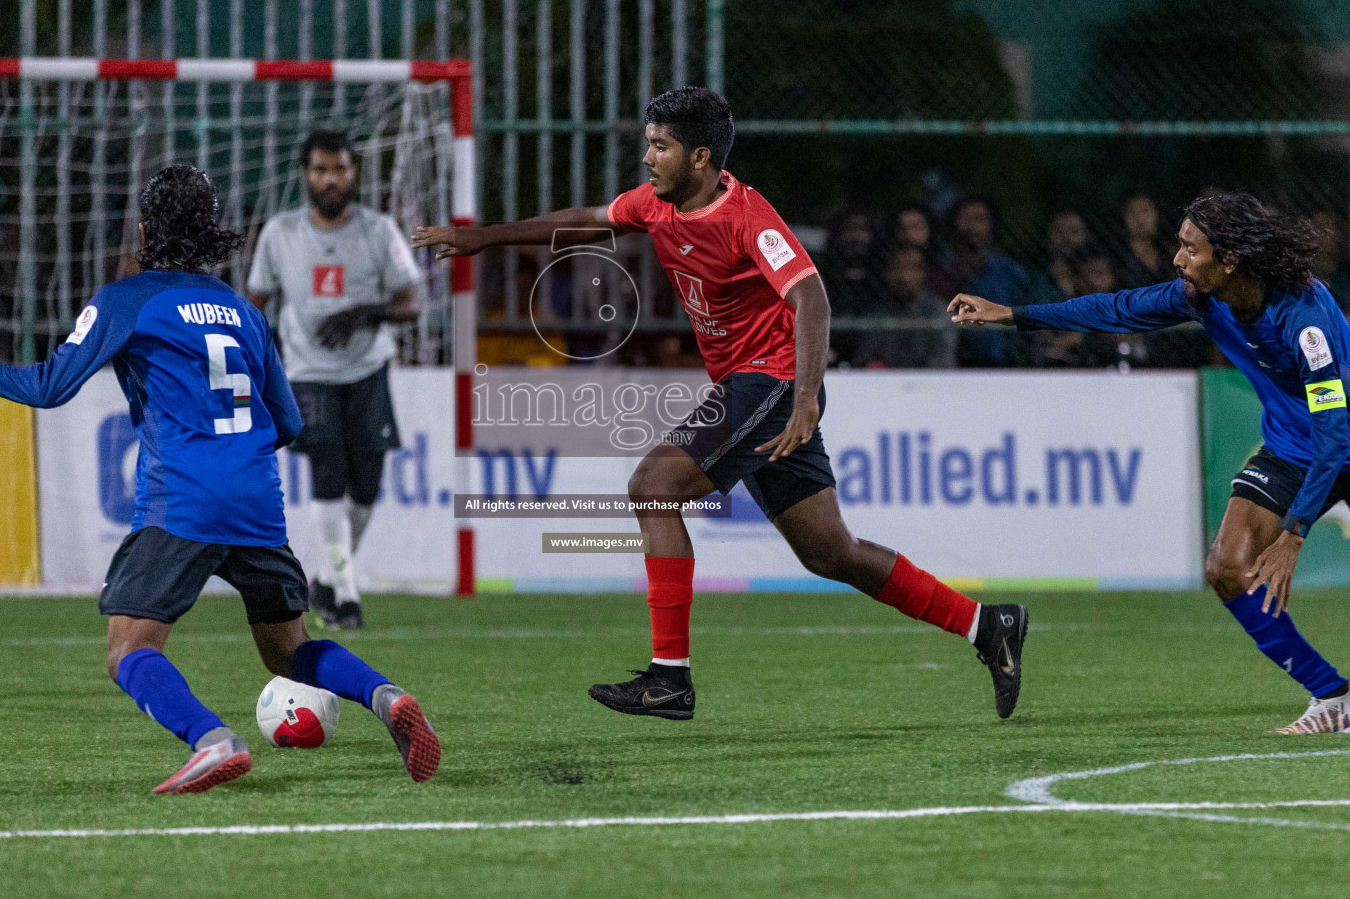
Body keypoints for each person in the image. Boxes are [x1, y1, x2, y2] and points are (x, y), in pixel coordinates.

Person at [414, 87, 1029, 722]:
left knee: (653, 487)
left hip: (770, 383)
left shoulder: (747, 217)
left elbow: (811, 297)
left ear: (700, 156)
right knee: (829, 552)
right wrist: (486, 238)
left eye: (661, 146)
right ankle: (988, 625)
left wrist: (807, 397)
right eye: (648, 142)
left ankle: (669, 678)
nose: (648, 157)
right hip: (749, 387)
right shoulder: (657, 205)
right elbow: (589, 220)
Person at [0, 165, 439, 792]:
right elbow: (289, 420)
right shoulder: (243, 311)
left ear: (143, 230)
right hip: (257, 503)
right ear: (209, 233)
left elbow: (52, 387)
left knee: (129, 649)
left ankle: (213, 741)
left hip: (182, 500)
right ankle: (387, 698)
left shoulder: (126, 299)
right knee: (288, 649)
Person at [949, 191, 1350, 734]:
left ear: (1230, 259)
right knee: (1226, 568)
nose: (1177, 259)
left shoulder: (1304, 317)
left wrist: (1294, 533)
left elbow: (1334, 434)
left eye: (1190, 248)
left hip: (1349, 443)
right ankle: (1334, 697)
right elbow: (1115, 308)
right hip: (1290, 447)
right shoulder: (1201, 296)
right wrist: (1014, 314)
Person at [246, 131, 422, 630]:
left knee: (367, 483)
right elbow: (254, 305)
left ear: (354, 173)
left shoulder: (378, 230)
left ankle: (325, 577)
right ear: (306, 174)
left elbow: (412, 301)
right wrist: (256, 364)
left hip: (368, 369)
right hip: (307, 373)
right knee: (328, 468)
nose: (330, 179)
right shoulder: (280, 233)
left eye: (339, 169)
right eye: (320, 170)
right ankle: (344, 596)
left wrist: (368, 312)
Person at [932, 193, 1029, 367]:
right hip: (951, 362)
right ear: (954, 223)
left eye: (980, 219)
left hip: (1003, 362)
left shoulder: (1009, 272)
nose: (973, 227)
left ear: (991, 225)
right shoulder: (941, 271)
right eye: (967, 219)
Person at [852, 246, 956, 369]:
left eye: (912, 269)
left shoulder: (938, 311)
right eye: (899, 268)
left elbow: (942, 362)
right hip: (887, 383)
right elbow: (865, 360)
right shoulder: (877, 313)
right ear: (888, 273)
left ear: (922, 274)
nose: (904, 277)